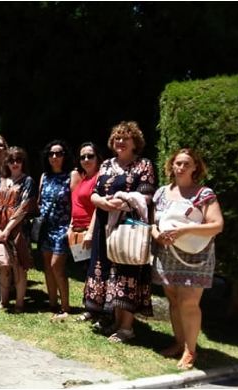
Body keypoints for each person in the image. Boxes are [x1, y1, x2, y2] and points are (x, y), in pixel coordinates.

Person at [151, 148, 223, 370]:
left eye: (186, 164)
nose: (180, 167)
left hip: (196, 257)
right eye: (177, 163)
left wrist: (184, 230)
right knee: (173, 299)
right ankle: (179, 343)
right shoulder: (162, 193)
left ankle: (190, 351)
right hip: (168, 252)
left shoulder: (204, 194)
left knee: (188, 302)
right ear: (171, 165)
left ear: (195, 168)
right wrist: (156, 235)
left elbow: (217, 225)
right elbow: (153, 222)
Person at [90, 121, 156, 343]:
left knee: (127, 272)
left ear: (134, 142)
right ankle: (115, 322)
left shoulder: (143, 165)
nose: (120, 142)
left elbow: (146, 196)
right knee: (110, 271)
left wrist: (121, 202)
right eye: (117, 138)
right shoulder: (107, 164)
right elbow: (95, 192)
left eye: (125, 138)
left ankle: (127, 328)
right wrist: (101, 201)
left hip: (128, 227)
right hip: (105, 225)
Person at [0, 147, 35, 313]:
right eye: (11, 160)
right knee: (3, 264)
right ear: (6, 163)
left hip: (18, 229)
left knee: (19, 266)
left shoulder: (27, 181)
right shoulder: (1, 181)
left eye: (18, 160)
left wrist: (7, 229)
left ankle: (19, 303)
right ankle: (3, 301)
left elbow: (23, 208)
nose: (15, 164)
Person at [36, 140, 74, 320]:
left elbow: (77, 204)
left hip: (63, 227)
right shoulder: (45, 176)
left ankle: (65, 306)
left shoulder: (71, 176)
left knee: (56, 266)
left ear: (64, 156)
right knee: (47, 267)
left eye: (59, 153)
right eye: (51, 154)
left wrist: (72, 227)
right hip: (46, 226)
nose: (55, 157)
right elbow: (39, 202)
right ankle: (52, 303)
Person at [73, 142, 103, 323]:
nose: (86, 159)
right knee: (86, 272)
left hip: (92, 231)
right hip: (78, 230)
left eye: (90, 156)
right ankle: (90, 308)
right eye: (83, 156)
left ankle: (101, 312)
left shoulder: (100, 177)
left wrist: (90, 232)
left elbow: (98, 209)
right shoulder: (84, 177)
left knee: (97, 272)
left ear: (98, 157)